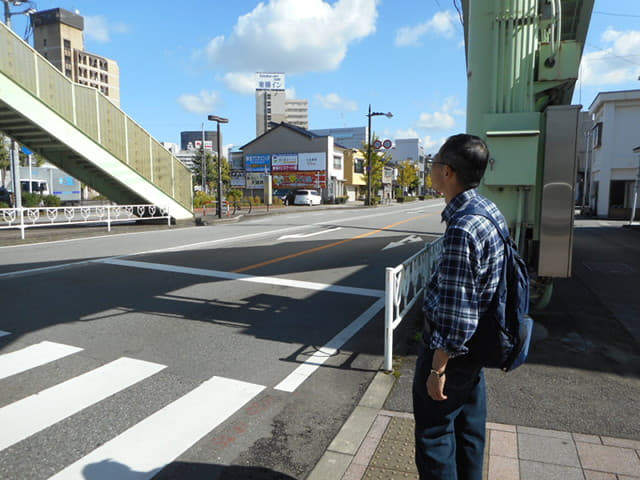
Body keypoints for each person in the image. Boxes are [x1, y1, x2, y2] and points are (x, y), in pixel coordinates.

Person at [413, 134, 508, 480]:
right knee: (469, 432)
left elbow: (456, 311)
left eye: (435, 163)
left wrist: (438, 369)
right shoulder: (488, 211)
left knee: (435, 436)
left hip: (451, 354)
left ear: (448, 172)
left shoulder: (462, 228)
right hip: (479, 343)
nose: (432, 169)